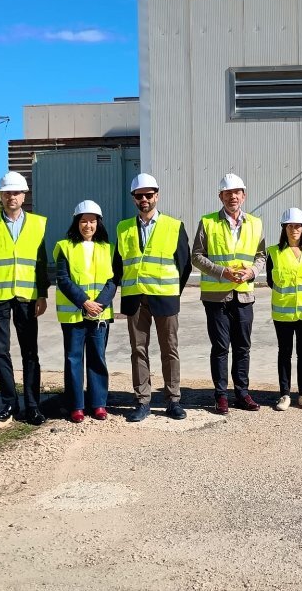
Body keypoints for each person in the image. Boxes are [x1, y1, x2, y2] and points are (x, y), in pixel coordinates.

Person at [0, 171, 50, 426]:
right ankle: (8, 403)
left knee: (30, 352)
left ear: (24, 195)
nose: (11, 197)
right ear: (0, 196)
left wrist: (42, 294)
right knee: (1, 351)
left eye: (16, 192)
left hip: (27, 298)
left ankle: (32, 405)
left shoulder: (37, 224)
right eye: (7, 193)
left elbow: (41, 264)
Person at [113, 174, 192, 422]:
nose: (144, 199)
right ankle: (142, 400)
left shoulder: (173, 226)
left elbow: (185, 264)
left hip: (165, 297)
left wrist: (172, 291)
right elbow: (117, 266)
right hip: (135, 298)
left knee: (170, 349)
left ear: (156, 196)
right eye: (139, 196)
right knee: (138, 350)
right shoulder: (123, 228)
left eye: (149, 195)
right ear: (134, 199)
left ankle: (173, 400)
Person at [191, 173, 266, 415]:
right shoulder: (208, 222)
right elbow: (197, 256)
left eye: (237, 192)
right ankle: (221, 395)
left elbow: (261, 256)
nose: (232, 197)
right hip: (216, 297)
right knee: (221, 347)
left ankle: (242, 393)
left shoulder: (256, 223)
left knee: (243, 346)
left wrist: (252, 272)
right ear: (220, 196)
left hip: (244, 295)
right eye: (227, 193)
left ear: (243, 196)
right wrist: (222, 272)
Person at [54, 201, 116, 423]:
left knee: (97, 357)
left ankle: (98, 403)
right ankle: (76, 406)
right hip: (74, 313)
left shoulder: (107, 248)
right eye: (83, 221)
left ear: (98, 223)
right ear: (76, 223)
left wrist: (99, 303)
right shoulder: (65, 246)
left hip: (99, 313)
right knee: (73, 359)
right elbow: (63, 279)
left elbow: (112, 280)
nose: (87, 225)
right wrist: (84, 302)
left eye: (92, 221)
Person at [266, 208, 302, 412]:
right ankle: (285, 394)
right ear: (284, 228)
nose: (294, 229)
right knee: (285, 352)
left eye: (298, 225)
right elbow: (271, 281)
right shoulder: (274, 252)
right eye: (290, 225)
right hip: (283, 312)